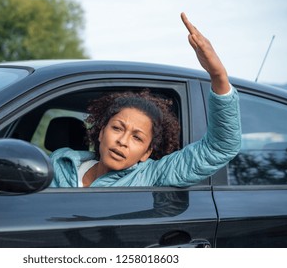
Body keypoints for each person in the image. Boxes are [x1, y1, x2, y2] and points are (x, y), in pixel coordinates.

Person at [49, 12, 241, 187]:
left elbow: (221, 146)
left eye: (137, 137)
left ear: (146, 153)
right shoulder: (57, 166)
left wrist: (218, 76)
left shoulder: (150, 177)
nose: (122, 141)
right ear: (100, 132)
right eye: (117, 128)